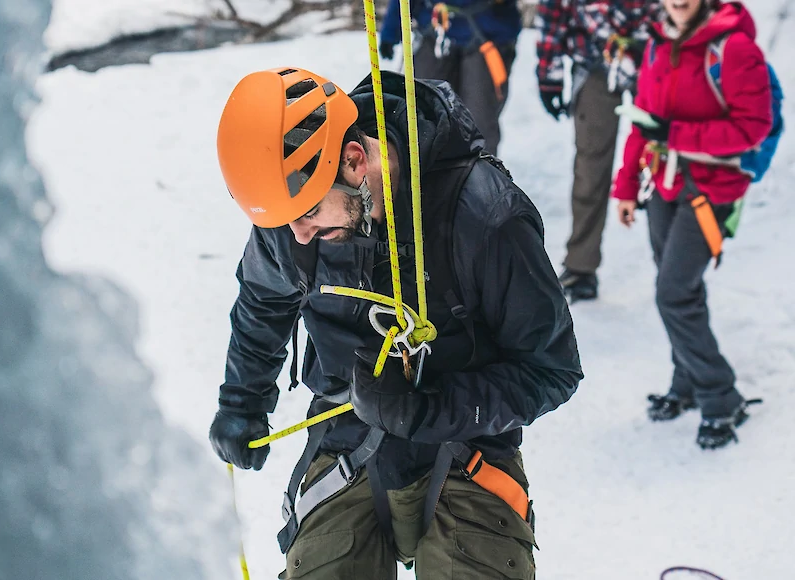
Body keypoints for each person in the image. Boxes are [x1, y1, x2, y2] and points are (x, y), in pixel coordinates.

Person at [209, 66, 582, 578]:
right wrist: (242, 400)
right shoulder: (292, 213)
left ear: (356, 161)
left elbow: (551, 370)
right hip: (346, 436)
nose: (298, 236)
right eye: (283, 222)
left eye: (311, 214)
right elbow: (263, 300)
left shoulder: (486, 216)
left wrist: (427, 411)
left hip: (470, 444)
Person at [612, 0, 771, 449]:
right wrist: (625, 187)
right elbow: (644, 121)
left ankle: (720, 396)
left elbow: (754, 127)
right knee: (676, 287)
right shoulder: (658, 43)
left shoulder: (734, 48)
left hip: (711, 189)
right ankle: (686, 381)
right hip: (662, 185)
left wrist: (677, 135)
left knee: (674, 293)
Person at [535, 0, 661, 302]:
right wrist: (549, 74)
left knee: (664, 160)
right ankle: (581, 267)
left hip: (658, 59)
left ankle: (675, 268)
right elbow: (553, 12)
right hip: (595, 61)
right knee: (590, 168)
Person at [378, 0, 523, 155]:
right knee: (423, 116)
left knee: (479, 122)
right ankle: (428, 174)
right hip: (435, 30)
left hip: (488, 33)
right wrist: (391, 28)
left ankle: (480, 174)